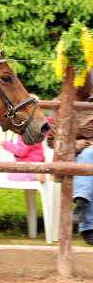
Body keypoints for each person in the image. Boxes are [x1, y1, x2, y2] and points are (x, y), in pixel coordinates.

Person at [48, 70, 93, 245]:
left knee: (90, 158)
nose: (75, 84)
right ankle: (88, 226)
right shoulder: (59, 105)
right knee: (88, 157)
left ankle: (81, 205)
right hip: (68, 156)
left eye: (79, 80)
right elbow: (53, 141)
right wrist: (80, 145)